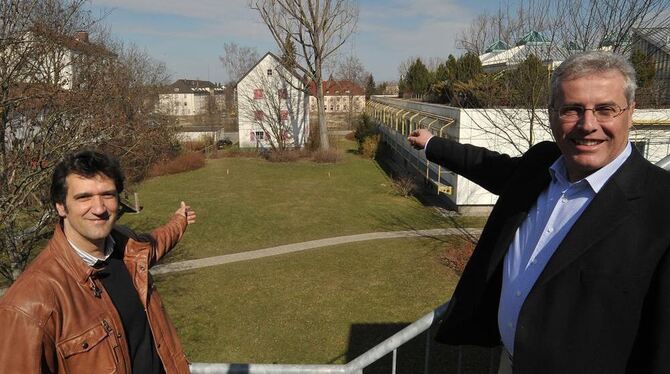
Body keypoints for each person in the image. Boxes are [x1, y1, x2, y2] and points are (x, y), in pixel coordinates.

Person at [408, 51, 670, 373]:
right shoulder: (541, 164)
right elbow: (488, 166)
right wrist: (433, 143)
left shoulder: (661, 206)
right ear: (550, 114)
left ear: (630, 113)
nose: (588, 125)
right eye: (572, 109)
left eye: (605, 109)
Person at [0, 150, 196, 373]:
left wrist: (180, 220)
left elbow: (157, 241)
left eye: (108, 195)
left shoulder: (127, 248)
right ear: (60, 206)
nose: (100, 208)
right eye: (84, 197)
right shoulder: (29, 303)